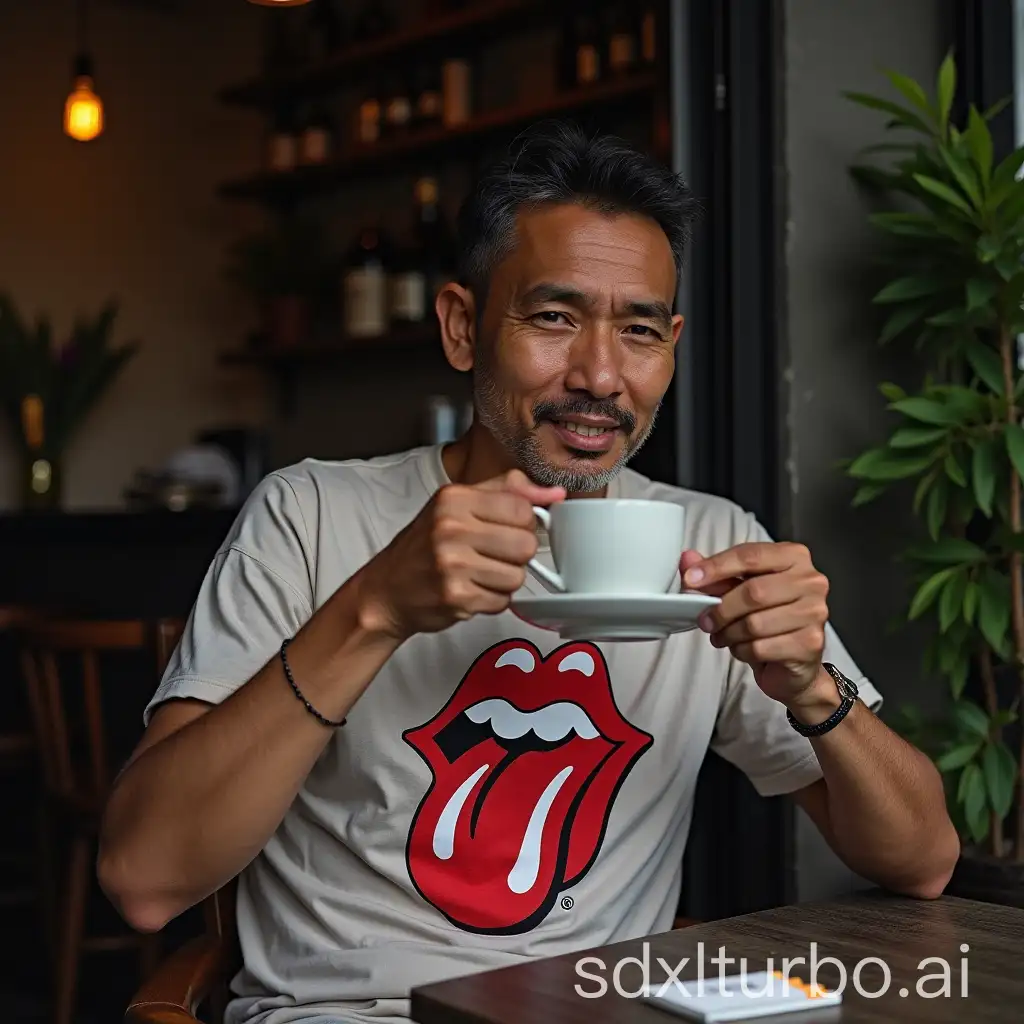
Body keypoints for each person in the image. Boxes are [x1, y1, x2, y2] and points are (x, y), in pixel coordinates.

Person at [98, 120, 959, 1024]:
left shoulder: (710, 546)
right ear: (463, 327)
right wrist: (373, 612)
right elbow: (144, 878)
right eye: (554, 317)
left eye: (638, 332)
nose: (599, 375)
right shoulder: (313, 518)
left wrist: (813, 688)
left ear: (672, 345)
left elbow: (923, 859)